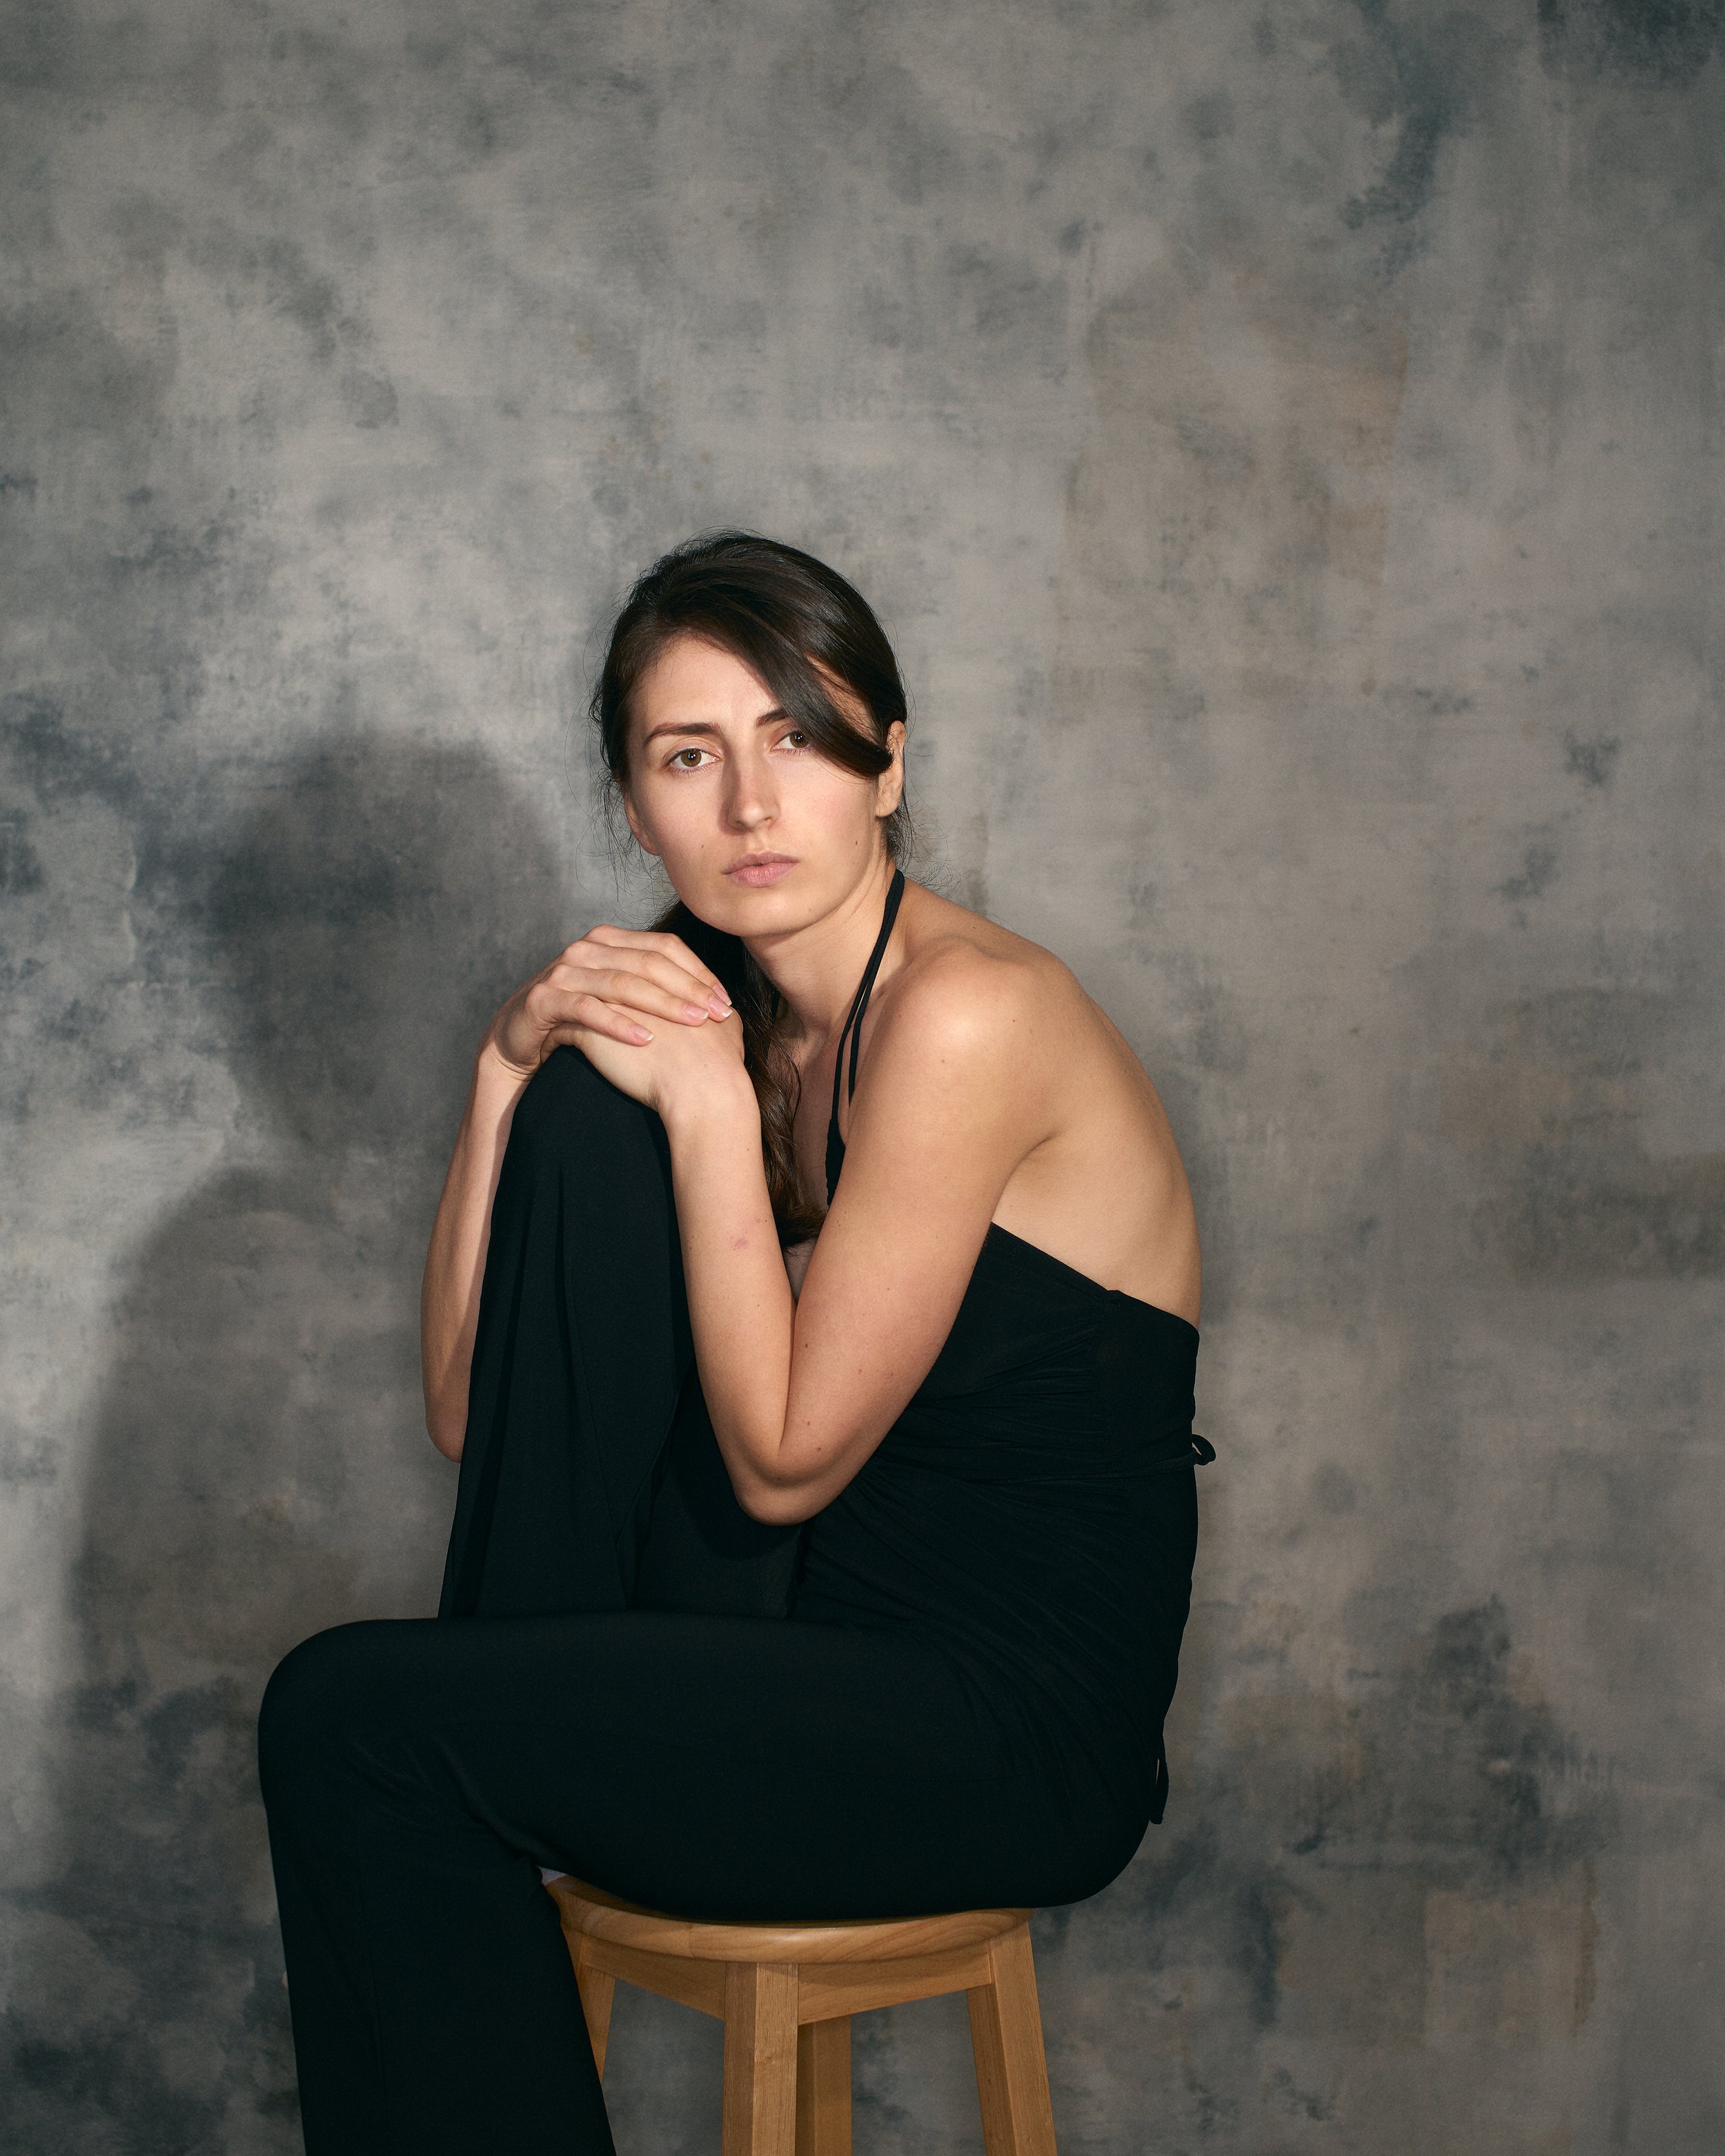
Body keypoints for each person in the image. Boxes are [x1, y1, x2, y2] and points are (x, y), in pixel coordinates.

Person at [257, 532, 1210, 2154]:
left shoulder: (968, 1014)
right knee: (580, 1094)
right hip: (797, 1652)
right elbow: (473, 1413)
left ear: (887, 765)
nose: (750, 807)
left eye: (797, 739)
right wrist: (501, 1074)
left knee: (354, 1722)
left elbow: (777, 1467)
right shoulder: (737, 1015)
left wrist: (703, 1104)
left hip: (1000, 1725)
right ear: (633, 805)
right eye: (688, 757)